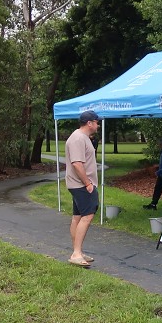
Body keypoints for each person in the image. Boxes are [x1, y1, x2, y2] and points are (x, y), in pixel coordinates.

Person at [65, 110, 101, 267]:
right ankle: (76, 254)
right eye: (97, 122)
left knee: (78, 217)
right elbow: (77, 163)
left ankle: (77, 251)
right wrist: (87, 183)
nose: (98, 125)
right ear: (89, 123)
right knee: (87, 216)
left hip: (79, 184)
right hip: (81, 185)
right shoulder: (78, 138)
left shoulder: (82, 137)